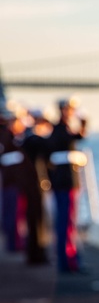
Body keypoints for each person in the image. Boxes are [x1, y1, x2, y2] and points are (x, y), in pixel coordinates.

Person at [47, 96, 88, 273]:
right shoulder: (60, 130)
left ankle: (69, 260)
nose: (71, 113)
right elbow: (76, 137)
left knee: (66, 222)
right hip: (67, 182)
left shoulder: (59, 130)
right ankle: (68, 260)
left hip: (64, 182)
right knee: (67, 222)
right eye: (69, 109)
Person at [20, 108, 51, 265]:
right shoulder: (33, 139)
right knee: (36, 219)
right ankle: (36, 254)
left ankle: (36, 253)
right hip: (34, 185)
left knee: (35, 220)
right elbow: (48, 147)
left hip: (32, 184)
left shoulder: (27, 138)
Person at [0, 105, 26, 253]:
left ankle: (15, 242)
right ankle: (14, 243)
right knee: (12, 213)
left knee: (15, 214)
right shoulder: (5, 136)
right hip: (10, 182)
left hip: (14, 182)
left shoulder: (13, 137)